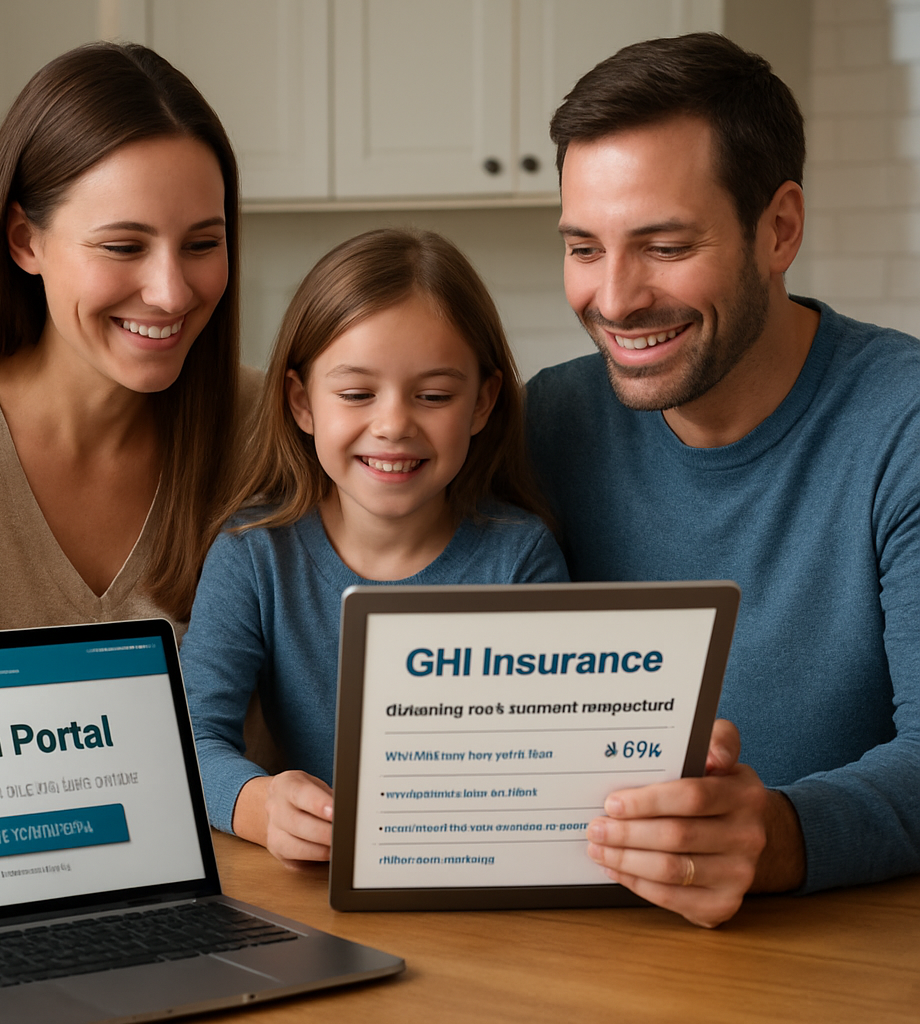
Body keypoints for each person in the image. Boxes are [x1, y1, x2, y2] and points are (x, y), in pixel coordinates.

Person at [526, 31, 920, 928]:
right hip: (586, 948)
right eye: (584, 248)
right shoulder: (542, 425)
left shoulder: (904, 425)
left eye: (663, 246)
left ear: (778, 229)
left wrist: (778, 833)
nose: (615, 299)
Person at [180, 228, 568, 865]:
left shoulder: (521, 560)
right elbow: (191, 741)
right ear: (302, 402)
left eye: (435, 396)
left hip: (481, 883)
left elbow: (556, 756)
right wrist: (260, 805)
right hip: (316, 888)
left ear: (482, 402)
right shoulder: (254, 554)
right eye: (357, 394)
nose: (392, 425)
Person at [0, 42, 257, 638]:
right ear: (24, 241)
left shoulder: (266, 432)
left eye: (202, 245)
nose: (171, 293)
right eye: (123, 246)